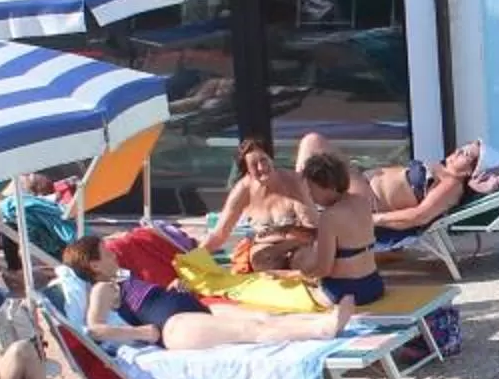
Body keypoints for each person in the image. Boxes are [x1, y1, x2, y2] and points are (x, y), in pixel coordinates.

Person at [62, 233, 353, 351]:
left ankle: (321, 322)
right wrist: (139, 334)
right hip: (173, 328)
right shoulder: (101, 288)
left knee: (261, 315)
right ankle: (323, 329)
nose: (114, 256)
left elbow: (146, 300)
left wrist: (171, 289)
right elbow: (95, 328)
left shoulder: (122, 278)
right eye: (106, 254)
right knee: (249, 330)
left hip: (188, 308)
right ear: (95, 265)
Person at [298, 134, 489, 235]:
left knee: (313, 141)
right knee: (314, 146)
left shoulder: (451, 185)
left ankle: (299, 205)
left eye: (467, 154)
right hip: (359, 187)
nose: (458, 151)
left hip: (364, 201)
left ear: (471, 171)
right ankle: (299, 202)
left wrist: (373, 220)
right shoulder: (443, 171)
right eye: (463, 147)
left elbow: (419, 216)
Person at [285, 153, 388, 307]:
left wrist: (298, 275)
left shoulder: (329, 217)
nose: (310, 195)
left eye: (312, 189)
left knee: (291, 298)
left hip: (343, 291)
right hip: (373, 285)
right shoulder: (362, 202)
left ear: (329, 186)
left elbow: (324, 269)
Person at [203, 140, 316, 268]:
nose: (261, 167)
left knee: (305, 261)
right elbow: (219, 234)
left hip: (301, 243)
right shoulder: (244, 190)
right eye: (254, 164)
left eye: (263, 160)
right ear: (248, 171)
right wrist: (193, 258)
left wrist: (281, 247)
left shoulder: (294, 182)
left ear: (271, 159)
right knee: (260, 260)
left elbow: (312, 232)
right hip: (266, 246)